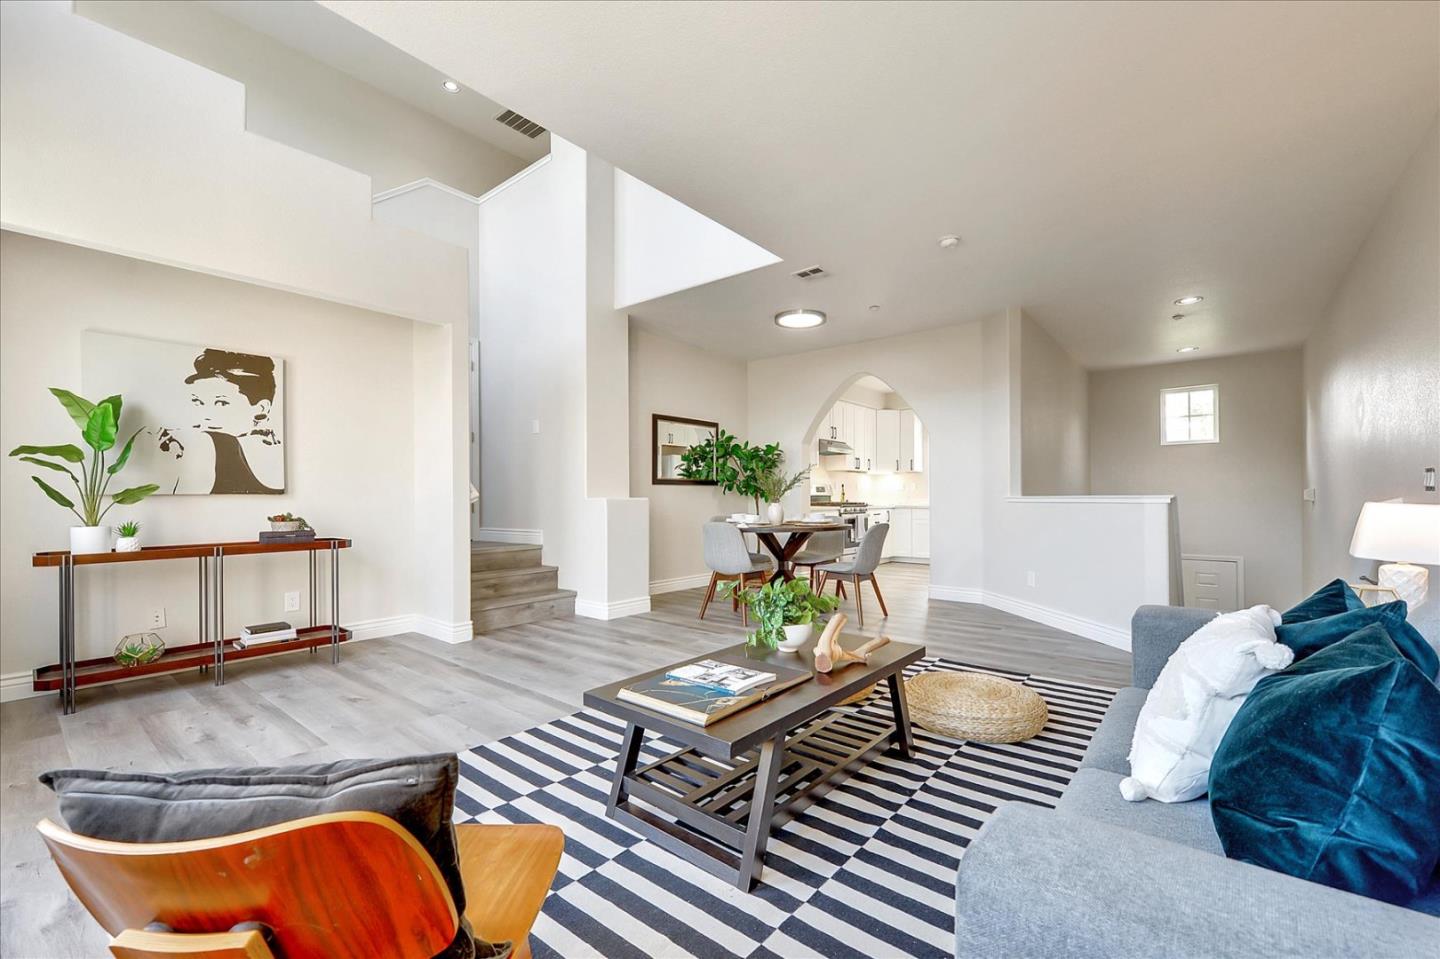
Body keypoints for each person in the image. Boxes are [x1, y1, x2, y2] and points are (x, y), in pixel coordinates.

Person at [155, 348, 283, 494]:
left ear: (261, 409)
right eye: (197, 402)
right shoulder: (197, 443)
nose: (205, 414)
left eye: (222, 403)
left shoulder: (207, 443)